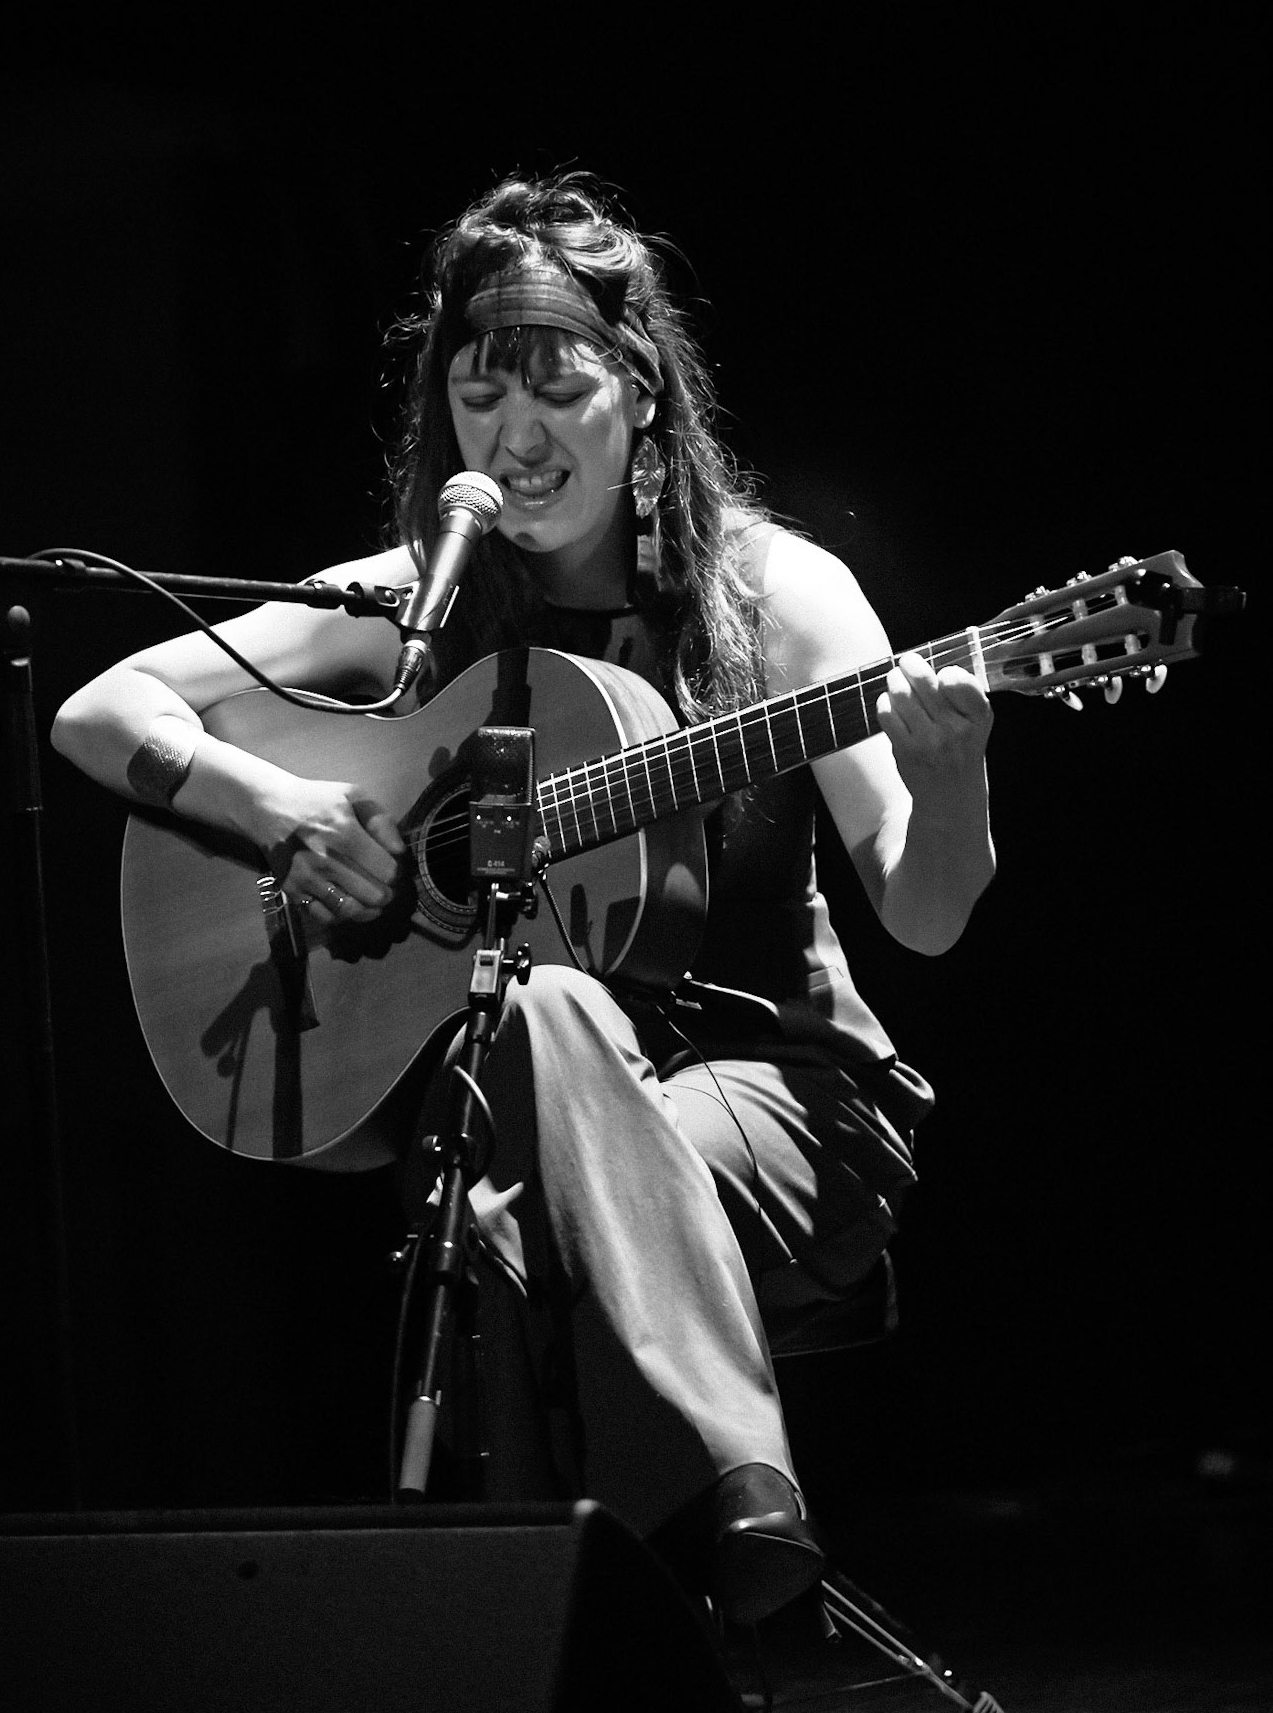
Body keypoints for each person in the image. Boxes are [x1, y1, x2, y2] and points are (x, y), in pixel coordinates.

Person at [51, 173, 995, 1626]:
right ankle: (694, 1581)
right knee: (526, 1094)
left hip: (780, 1096)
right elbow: (100, 711)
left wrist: (955, 775)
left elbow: (923, 915)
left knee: (511, 1178)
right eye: (481, 398)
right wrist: (285, 808)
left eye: (557, 391)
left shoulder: (783, 598)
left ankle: (548, 1656)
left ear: (643, 398)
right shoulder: (411, 603)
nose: (515, 438)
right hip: (527, 1115)